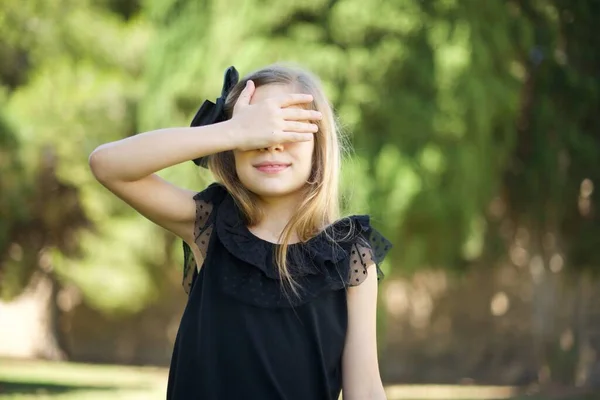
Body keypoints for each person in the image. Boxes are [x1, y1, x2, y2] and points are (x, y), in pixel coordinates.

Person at [89, 63, 391, 400]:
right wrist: (232, 132)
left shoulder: (349, 254)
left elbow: (364, 388)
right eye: (259, 129)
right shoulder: (210, 223)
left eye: (288, 129)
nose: (271, 144)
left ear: (318, 146)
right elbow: (107, 165)